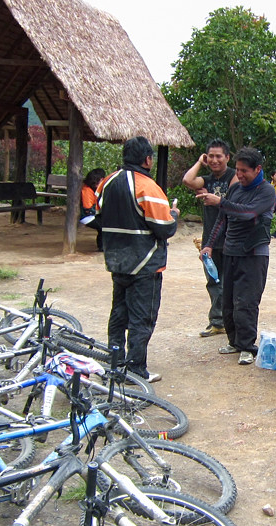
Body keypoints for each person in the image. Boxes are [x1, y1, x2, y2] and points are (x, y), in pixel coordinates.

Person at [100, 137, 179, 383]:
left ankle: (115, 363)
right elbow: (164, 229)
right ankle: (136, 370)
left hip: (117, 260)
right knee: (141, 318)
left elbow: (97, 215)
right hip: (145, 263)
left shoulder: (107, 182)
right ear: (147, 159)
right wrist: (174, 214)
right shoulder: (147, 187)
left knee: (118, 314)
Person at [198, 147, 274, 366]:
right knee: (229, 301)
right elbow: (222, 219)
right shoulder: (235, 189)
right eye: (238, 170)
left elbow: (248, 212)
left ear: (257, 169)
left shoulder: (266, 191)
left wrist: (220, 201)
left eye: (244, 171)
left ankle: (247, 347)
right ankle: (234, 341)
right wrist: (209, 245)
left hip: (253, 255)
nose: (239, 175)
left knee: (247, 302)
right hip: (230, 252)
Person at [182, 140, 237, 338]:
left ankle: (230, 322)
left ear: (227, 158)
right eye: (210, 156)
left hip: (229, 237)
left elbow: (233, 202)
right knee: (213, 281)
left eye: (218, 156)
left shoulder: (234, 176)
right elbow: (188, 181)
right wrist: (199, 162)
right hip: (209, 240)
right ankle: (216, 322)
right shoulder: (206, 179)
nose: (214, 160)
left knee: (229, 283)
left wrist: (214, 199)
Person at [80, 168, 106, 251]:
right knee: (104, 227)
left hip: (91, 215)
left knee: (104, 226)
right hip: (87, 217)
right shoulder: (87, 190)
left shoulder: (91, 189)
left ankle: (102, 246)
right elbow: (88, 209)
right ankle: (102, 247)